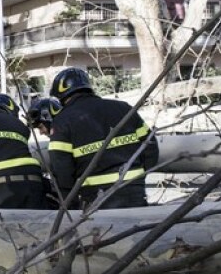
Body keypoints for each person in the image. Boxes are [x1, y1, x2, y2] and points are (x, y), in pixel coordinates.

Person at [47, 67, 159, 209]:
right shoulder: (123, 108)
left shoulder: (62, 120)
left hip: (96, 194)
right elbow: (150, 145)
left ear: (61, 97)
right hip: (133, 187)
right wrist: (140, 176)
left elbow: (61, 166)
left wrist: (70, 201)